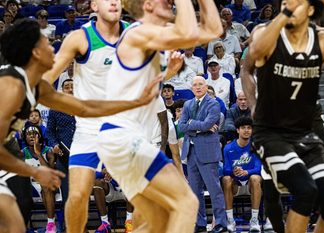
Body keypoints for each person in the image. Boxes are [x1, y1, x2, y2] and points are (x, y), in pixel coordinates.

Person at [0, 18, 160, 233]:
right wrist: (35, 172)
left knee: (17, 213)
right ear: (35, 53)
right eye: (47, 44)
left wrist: (135, 102)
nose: (53, 48)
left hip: (7, 147)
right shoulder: (11, 87)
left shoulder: (38, 87)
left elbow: (84, 109)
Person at [96, 0, 223, 232]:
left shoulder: (150, 37)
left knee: (155, 218)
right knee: (184, 203)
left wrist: (169, 72)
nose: (170, 3)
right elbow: (189, 31)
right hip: (122, 136)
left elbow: (214, 30)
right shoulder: (137, 34)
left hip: (127, 137)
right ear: (149, 5)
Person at [244, 0, 324, 232]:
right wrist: (285, 14)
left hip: (305, 130)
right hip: (271, 131)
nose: (288, 4)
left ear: (311, 10)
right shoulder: (265, 32)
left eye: (296, 2)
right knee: (304, 191)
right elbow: (255, 52)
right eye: (285, 1)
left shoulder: (322, 38)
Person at [42, 0, 130, 232]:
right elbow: (46, 78)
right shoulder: (80, 39)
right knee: (77, 193)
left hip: (120, 127)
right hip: (84, 136)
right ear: (92, 7)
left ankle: (120, 222)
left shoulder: (133, 35)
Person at [179, 76, 228, 233]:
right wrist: (200, 127)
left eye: (201, 84)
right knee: (195, 192)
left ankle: (221, 224)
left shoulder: (213, 103)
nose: (198, 87)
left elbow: (208, 123)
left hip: (207, 152)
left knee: (214, 190)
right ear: (191, 88)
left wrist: (192, 124)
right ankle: (200, 223)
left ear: (206, 87)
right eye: (195, 85)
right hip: (191, 152)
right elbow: (181, 126)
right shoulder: (187, 104)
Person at [222, 116, 262, 232]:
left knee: (255, 178)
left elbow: (258, 168)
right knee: (226, 179)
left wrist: (246, 172)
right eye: (243, 128)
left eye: (249, 128)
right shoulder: (228, 148)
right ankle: (230, 220)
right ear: (237, 130)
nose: (246, 130)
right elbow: (226, 169)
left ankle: (254, 221)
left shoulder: (255, 146)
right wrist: (233, 171)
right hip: (236, 184)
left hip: (251, 184)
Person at [46, 78, 76, 231]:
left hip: (81, 157)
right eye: (66, 86)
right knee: (67, 195)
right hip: (63, 158)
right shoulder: (55, 108)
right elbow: (49, 131)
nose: (69, 88)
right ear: (63, 90)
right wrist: (54, 145)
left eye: (72, 86)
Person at [22, 124, 57, 233]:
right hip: (31, 185)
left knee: (46, 185)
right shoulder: (22, 153)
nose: (31, 136)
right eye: (28, 134)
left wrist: (38, 154)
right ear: (24, 137)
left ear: (40, 136)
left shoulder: (48, 151)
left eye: (34, 134)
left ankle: (51, 224)